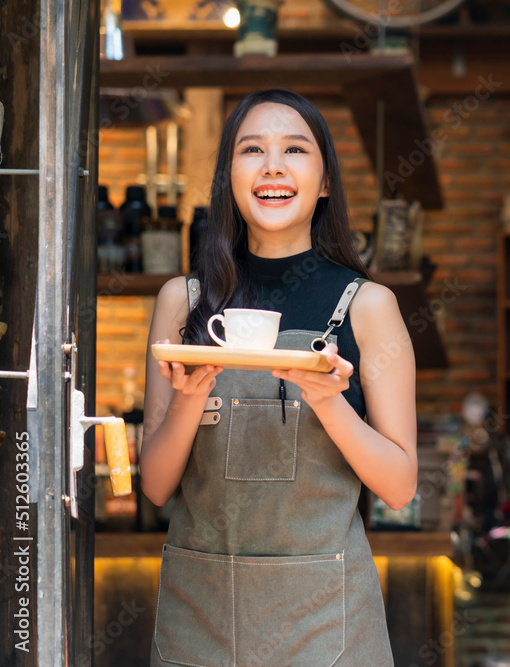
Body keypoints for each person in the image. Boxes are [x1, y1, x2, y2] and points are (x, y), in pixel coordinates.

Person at [140, 88, 416, 666]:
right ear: (229, 177)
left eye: (295, 149)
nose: (272, 166)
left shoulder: (367, 307)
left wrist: (330, 401)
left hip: (328, 624)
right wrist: (191, 400)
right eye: (251, 151)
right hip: (202, 614)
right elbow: (156, 485)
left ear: (324, 183)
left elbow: (399, 486)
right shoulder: (182, 302)